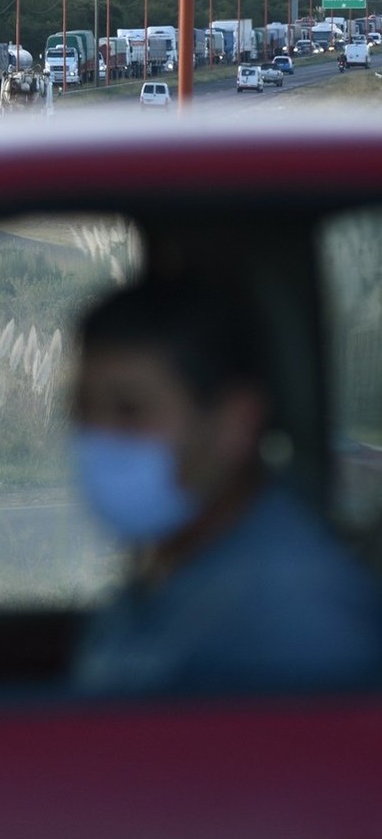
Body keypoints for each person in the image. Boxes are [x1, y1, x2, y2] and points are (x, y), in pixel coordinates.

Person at [69, 278, 382, 695]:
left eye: (130, 411)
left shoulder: (293, 625)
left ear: (235, 425)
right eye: (82, 409)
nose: (98, 438)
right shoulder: (174, 568)